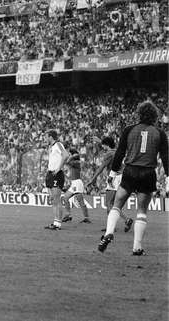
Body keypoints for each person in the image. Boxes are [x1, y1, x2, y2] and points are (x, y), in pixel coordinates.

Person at [98, 101, 168, 255]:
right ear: (155, 116)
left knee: (117, 204)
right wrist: (168, 176)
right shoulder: (160, 133)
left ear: (139, 114)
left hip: (130, 171)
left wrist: (113, 173)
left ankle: (109, 232)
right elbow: (165, 156)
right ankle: (137, 247)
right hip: (148, 173)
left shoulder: (129, 130)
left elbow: (120, 153)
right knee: (142, 211)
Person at [86, 137, 133, 232]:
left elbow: (101, 167)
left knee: (109, 203)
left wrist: (92, 179)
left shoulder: (109, 154)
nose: (102, 147)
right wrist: (99, 141)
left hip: (114, 178)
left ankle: (125, 220)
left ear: (106, 145)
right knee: (112, 203)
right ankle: (112, 226)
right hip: (122, 177)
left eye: (103, 145)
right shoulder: (117, 151)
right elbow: (108, 144)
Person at [44, 130, 69, 230]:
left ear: (50, 137)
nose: (45, 139)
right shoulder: (51, 147)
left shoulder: (58, 144)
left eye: (46, 136)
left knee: (57, 199)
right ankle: (55, 222)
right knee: (53, 199)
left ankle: (58, 223)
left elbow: (66, 155)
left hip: (56, 174)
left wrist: (59, 167)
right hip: (50, 174)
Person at [61, 149, 91, 223]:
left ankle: (86, 218)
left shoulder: (76, 162)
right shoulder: (74, 163)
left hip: (77, 183)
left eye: (70, 154)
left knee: (81, 201)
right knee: (65, 197)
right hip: (74, 183)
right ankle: (68, 215)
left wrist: (71, 155)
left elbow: (67, 161)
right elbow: (70, 174)